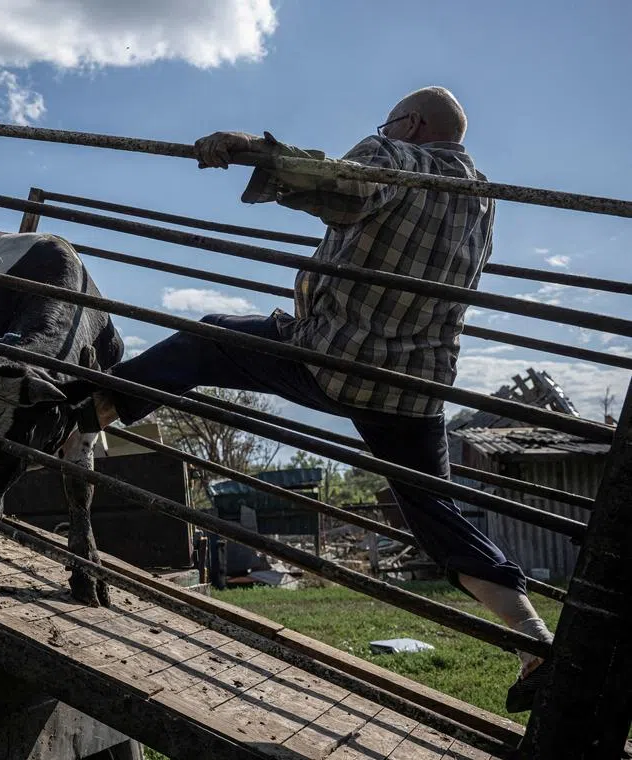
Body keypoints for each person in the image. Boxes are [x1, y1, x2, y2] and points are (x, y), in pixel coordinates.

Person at [72, 87, 554, 712]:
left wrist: (250, 149)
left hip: (338, 359)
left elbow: (337, 181)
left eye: (389, 122)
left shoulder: (398, 156)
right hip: (416, 387)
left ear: (408, 124)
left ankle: (80, 412)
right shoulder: (481, 198)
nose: (382, 129)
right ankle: (536, 644)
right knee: (434, 513)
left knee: (204, 339)